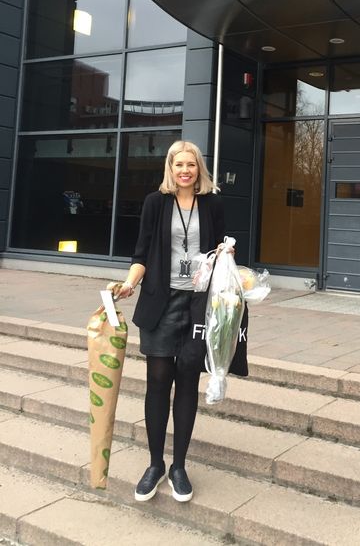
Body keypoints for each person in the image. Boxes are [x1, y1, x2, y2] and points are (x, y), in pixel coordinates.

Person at [114, 140, 247, 504]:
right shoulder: (155, 203)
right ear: (170, 169)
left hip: (198, 305)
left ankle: (179, 467)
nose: (185, 171)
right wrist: (129, 283)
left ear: (198, 168)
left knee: (187, 380)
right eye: (179, 165)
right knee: (158, 381)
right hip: (161, 302)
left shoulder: (213, 203)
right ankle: (155, 464)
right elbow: (141, 253)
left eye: (191, 164)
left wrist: (227, 251)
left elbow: (221, 247)